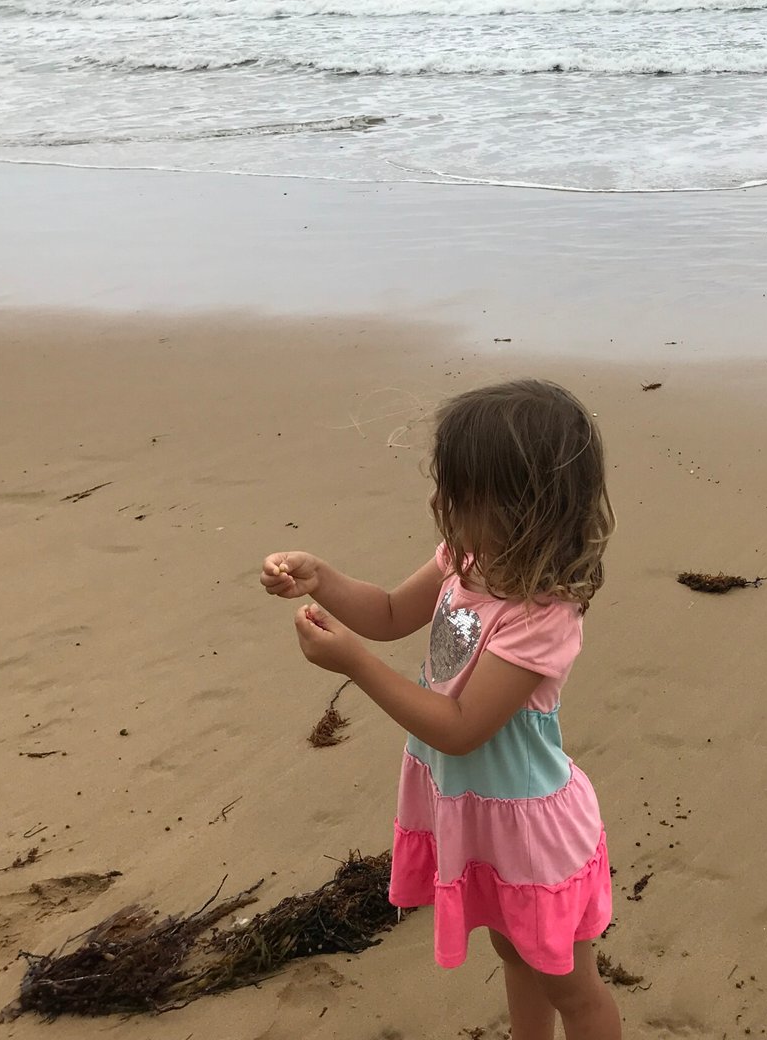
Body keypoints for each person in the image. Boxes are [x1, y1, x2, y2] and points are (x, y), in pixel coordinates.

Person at [259, 380, 621, 1040]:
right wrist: (324, 579)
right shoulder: (465, 561)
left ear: (523, 507)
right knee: (513, 952)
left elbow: (460, 730)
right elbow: (393, 613)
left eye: (458, 494)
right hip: (480, 817)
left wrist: (356, 667)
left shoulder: (540, 616)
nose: (438, 502)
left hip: (531, 833)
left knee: (573, 985)